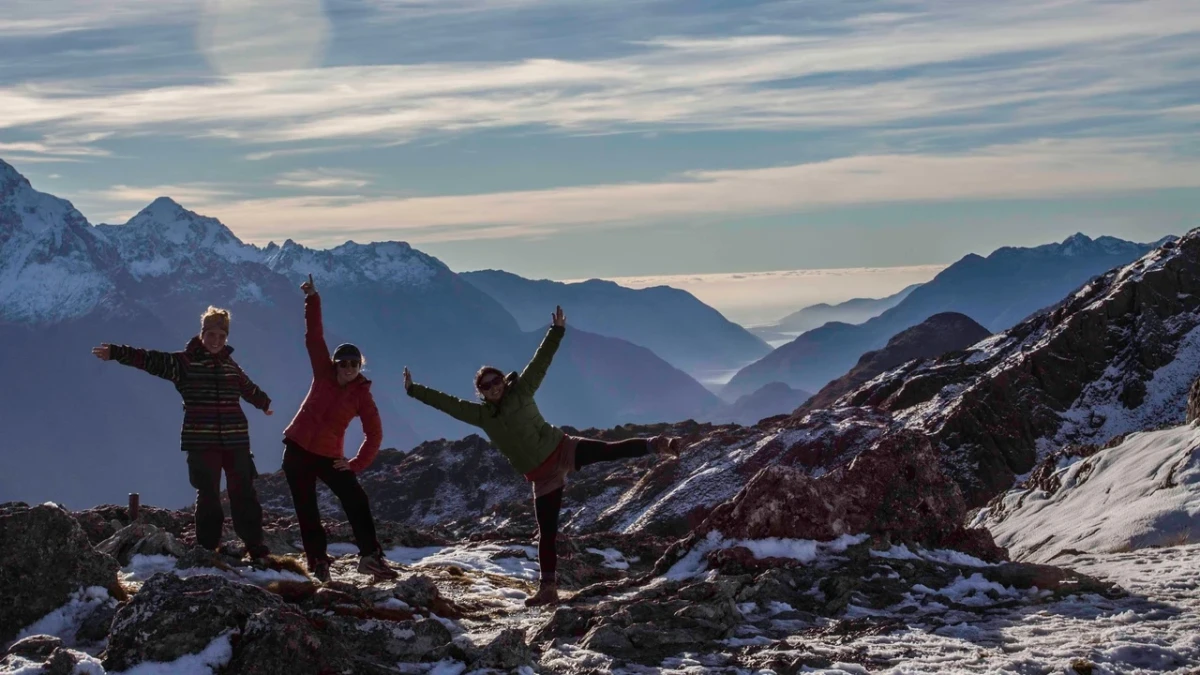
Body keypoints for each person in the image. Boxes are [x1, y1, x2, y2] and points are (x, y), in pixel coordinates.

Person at [404, 305, 682, 606]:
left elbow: (540, 362)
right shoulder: (481, 416)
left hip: (561, 448)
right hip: (542, 477)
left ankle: (660, 444)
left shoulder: (521, 391)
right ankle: (548, 589)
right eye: (486, 386)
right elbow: (447, 403)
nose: (494, 387)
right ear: (480, 392)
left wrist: (557, 330)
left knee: (608, 451)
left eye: (497, 381)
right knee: (546, 534)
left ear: (503, 382)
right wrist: (413, 390)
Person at [91, 306, 274, 563]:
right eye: (211, 335)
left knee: (244, 493)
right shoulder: (184, 363)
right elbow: (151, 360)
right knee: (209, 495)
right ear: (202, 334)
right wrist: (116, 352)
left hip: (237, 441)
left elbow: (247, 387)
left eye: (222, 336)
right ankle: (208, 551)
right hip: (202, 442)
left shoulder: (230, 365)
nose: (216, 341)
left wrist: (264, 403)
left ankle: (256, 548)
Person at [280, 274, 397, 582]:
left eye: (352, 364)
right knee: (307, 508)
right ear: (334, 364)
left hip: (329, 456)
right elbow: (314, 337)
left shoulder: (362, 395)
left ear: (360, 367)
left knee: (356, 499)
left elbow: (375, 434)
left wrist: (355, 464)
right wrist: (312, 299)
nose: (346, 368)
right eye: (342, 363)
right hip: (297, 449)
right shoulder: (323, 372)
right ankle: (318, 562)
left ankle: (370, 557)